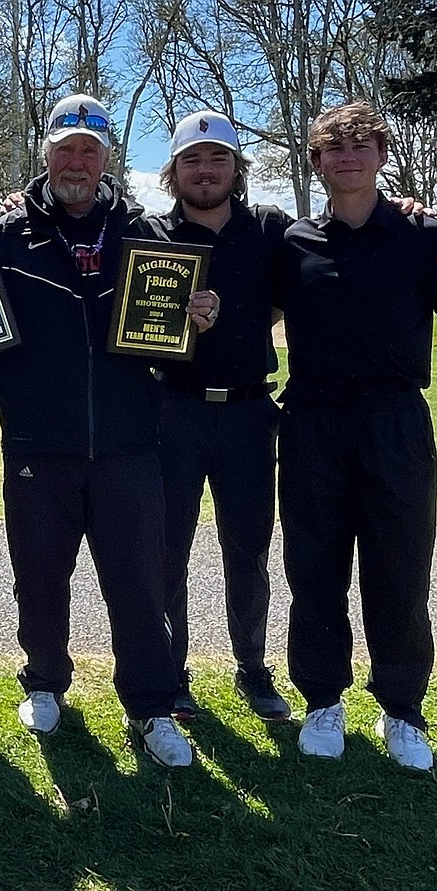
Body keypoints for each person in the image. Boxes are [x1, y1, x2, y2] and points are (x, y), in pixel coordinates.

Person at [0, 93, 216, 767]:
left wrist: (198, 313)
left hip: (129, 443)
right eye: (65, 149)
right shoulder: (9, 235)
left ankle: (149, 704)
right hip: (38, 442)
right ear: (47, 155)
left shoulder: (146, 233)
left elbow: (169, 330)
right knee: (40, 574)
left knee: (139, 581)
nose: (76, 161)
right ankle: (45, 680)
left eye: (89, 150)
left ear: (107, 158)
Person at [278, 100, 436, 771]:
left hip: (395, 418)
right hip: (314, 417)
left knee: (399, 566)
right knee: (314, 565)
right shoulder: (293, 242)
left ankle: (401, 707)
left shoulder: (422, 232)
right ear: (316, 162)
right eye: (334, 148)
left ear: (380, 155)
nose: (348, 156)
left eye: (362, 145)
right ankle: (322, 699)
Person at [143, 111, 291, 723]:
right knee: (168, 547)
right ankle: (172, 672)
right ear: (173, 172)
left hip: (249, 414)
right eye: (192, 161)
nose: (205, 171)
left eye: (218, 159)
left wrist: (405, 205)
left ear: (238, 169)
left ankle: (252, 668)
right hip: (172, 410)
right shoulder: (150, 231)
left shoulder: (271, 229)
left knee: (249, 546)